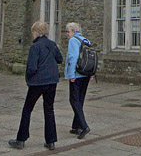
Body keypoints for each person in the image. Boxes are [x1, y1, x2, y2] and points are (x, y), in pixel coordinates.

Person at [9, 21, 64, 151]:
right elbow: (60, 59)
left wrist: (28, 79)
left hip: (38, 82)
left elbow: (32, 67)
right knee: (49, 109)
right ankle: (50, 141)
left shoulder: (35, 47)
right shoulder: (52, 44)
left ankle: (21, 139)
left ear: (36, 32)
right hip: (52, 81)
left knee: (27, 109)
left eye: (33, 32)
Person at [65, 22, 91, 139]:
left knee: (74, 100)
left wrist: (71, 74)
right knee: (80, 100)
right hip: (85, 74)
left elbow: (73, 57)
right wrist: (91, 74)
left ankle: (84, 126)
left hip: (77, 74)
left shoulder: (73, 41)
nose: (67, 34)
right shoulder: (85, 40)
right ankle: (76, 126)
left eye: (68, 31)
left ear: (74, 32)